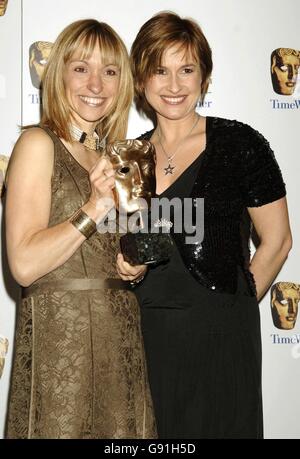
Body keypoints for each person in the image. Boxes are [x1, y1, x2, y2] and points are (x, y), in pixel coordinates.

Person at [125, 11, 293, 439]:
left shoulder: (241, 144)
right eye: (160, 70)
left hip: (221, 335)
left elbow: (278, 241)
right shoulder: (127, 157)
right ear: (142, 78)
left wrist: (235, 303)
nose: (175, 85)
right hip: (146, 336)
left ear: (204, 77)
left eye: (187, 69)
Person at [5, 19, 156, 439]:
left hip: (121, 346)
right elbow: (23, 263)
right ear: (59, 75)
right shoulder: (38, 144)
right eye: (81, 68)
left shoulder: (113, 157)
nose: (96, 83)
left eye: (109, 71)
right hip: (62, 355)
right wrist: (94, 207)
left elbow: (108, 256)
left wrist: (132, 268)